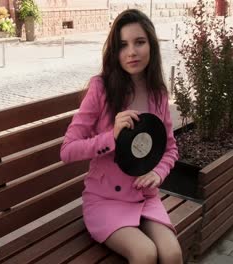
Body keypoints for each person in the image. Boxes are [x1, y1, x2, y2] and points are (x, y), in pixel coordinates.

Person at [60, 9, 182, 264]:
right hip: (105, 199)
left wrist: (158, 173)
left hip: (144, 196)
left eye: (139, 42)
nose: (132, 52)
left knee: (172, 254)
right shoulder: (101, 88)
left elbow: (170, 148)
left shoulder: (157, 93)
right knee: (145, 253)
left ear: (151, 45)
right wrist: (111, 137)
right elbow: (67, 150)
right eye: (123, 45)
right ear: (115, 51)